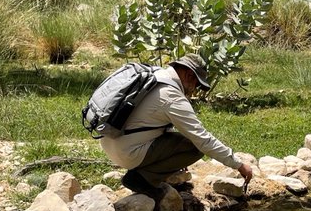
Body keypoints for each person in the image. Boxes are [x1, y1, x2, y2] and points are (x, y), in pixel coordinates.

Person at [99, 53, 254, 201]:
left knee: (185, 141)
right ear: (189, 76)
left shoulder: (156, 75)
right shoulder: (172, 97)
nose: (194, 90)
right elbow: (203, 140)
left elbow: (152, 121)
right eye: (197, 85)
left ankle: (143, 172)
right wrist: (239, 165)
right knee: (195, 146)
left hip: (109, 140)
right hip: (127, 153)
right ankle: (140, 179)